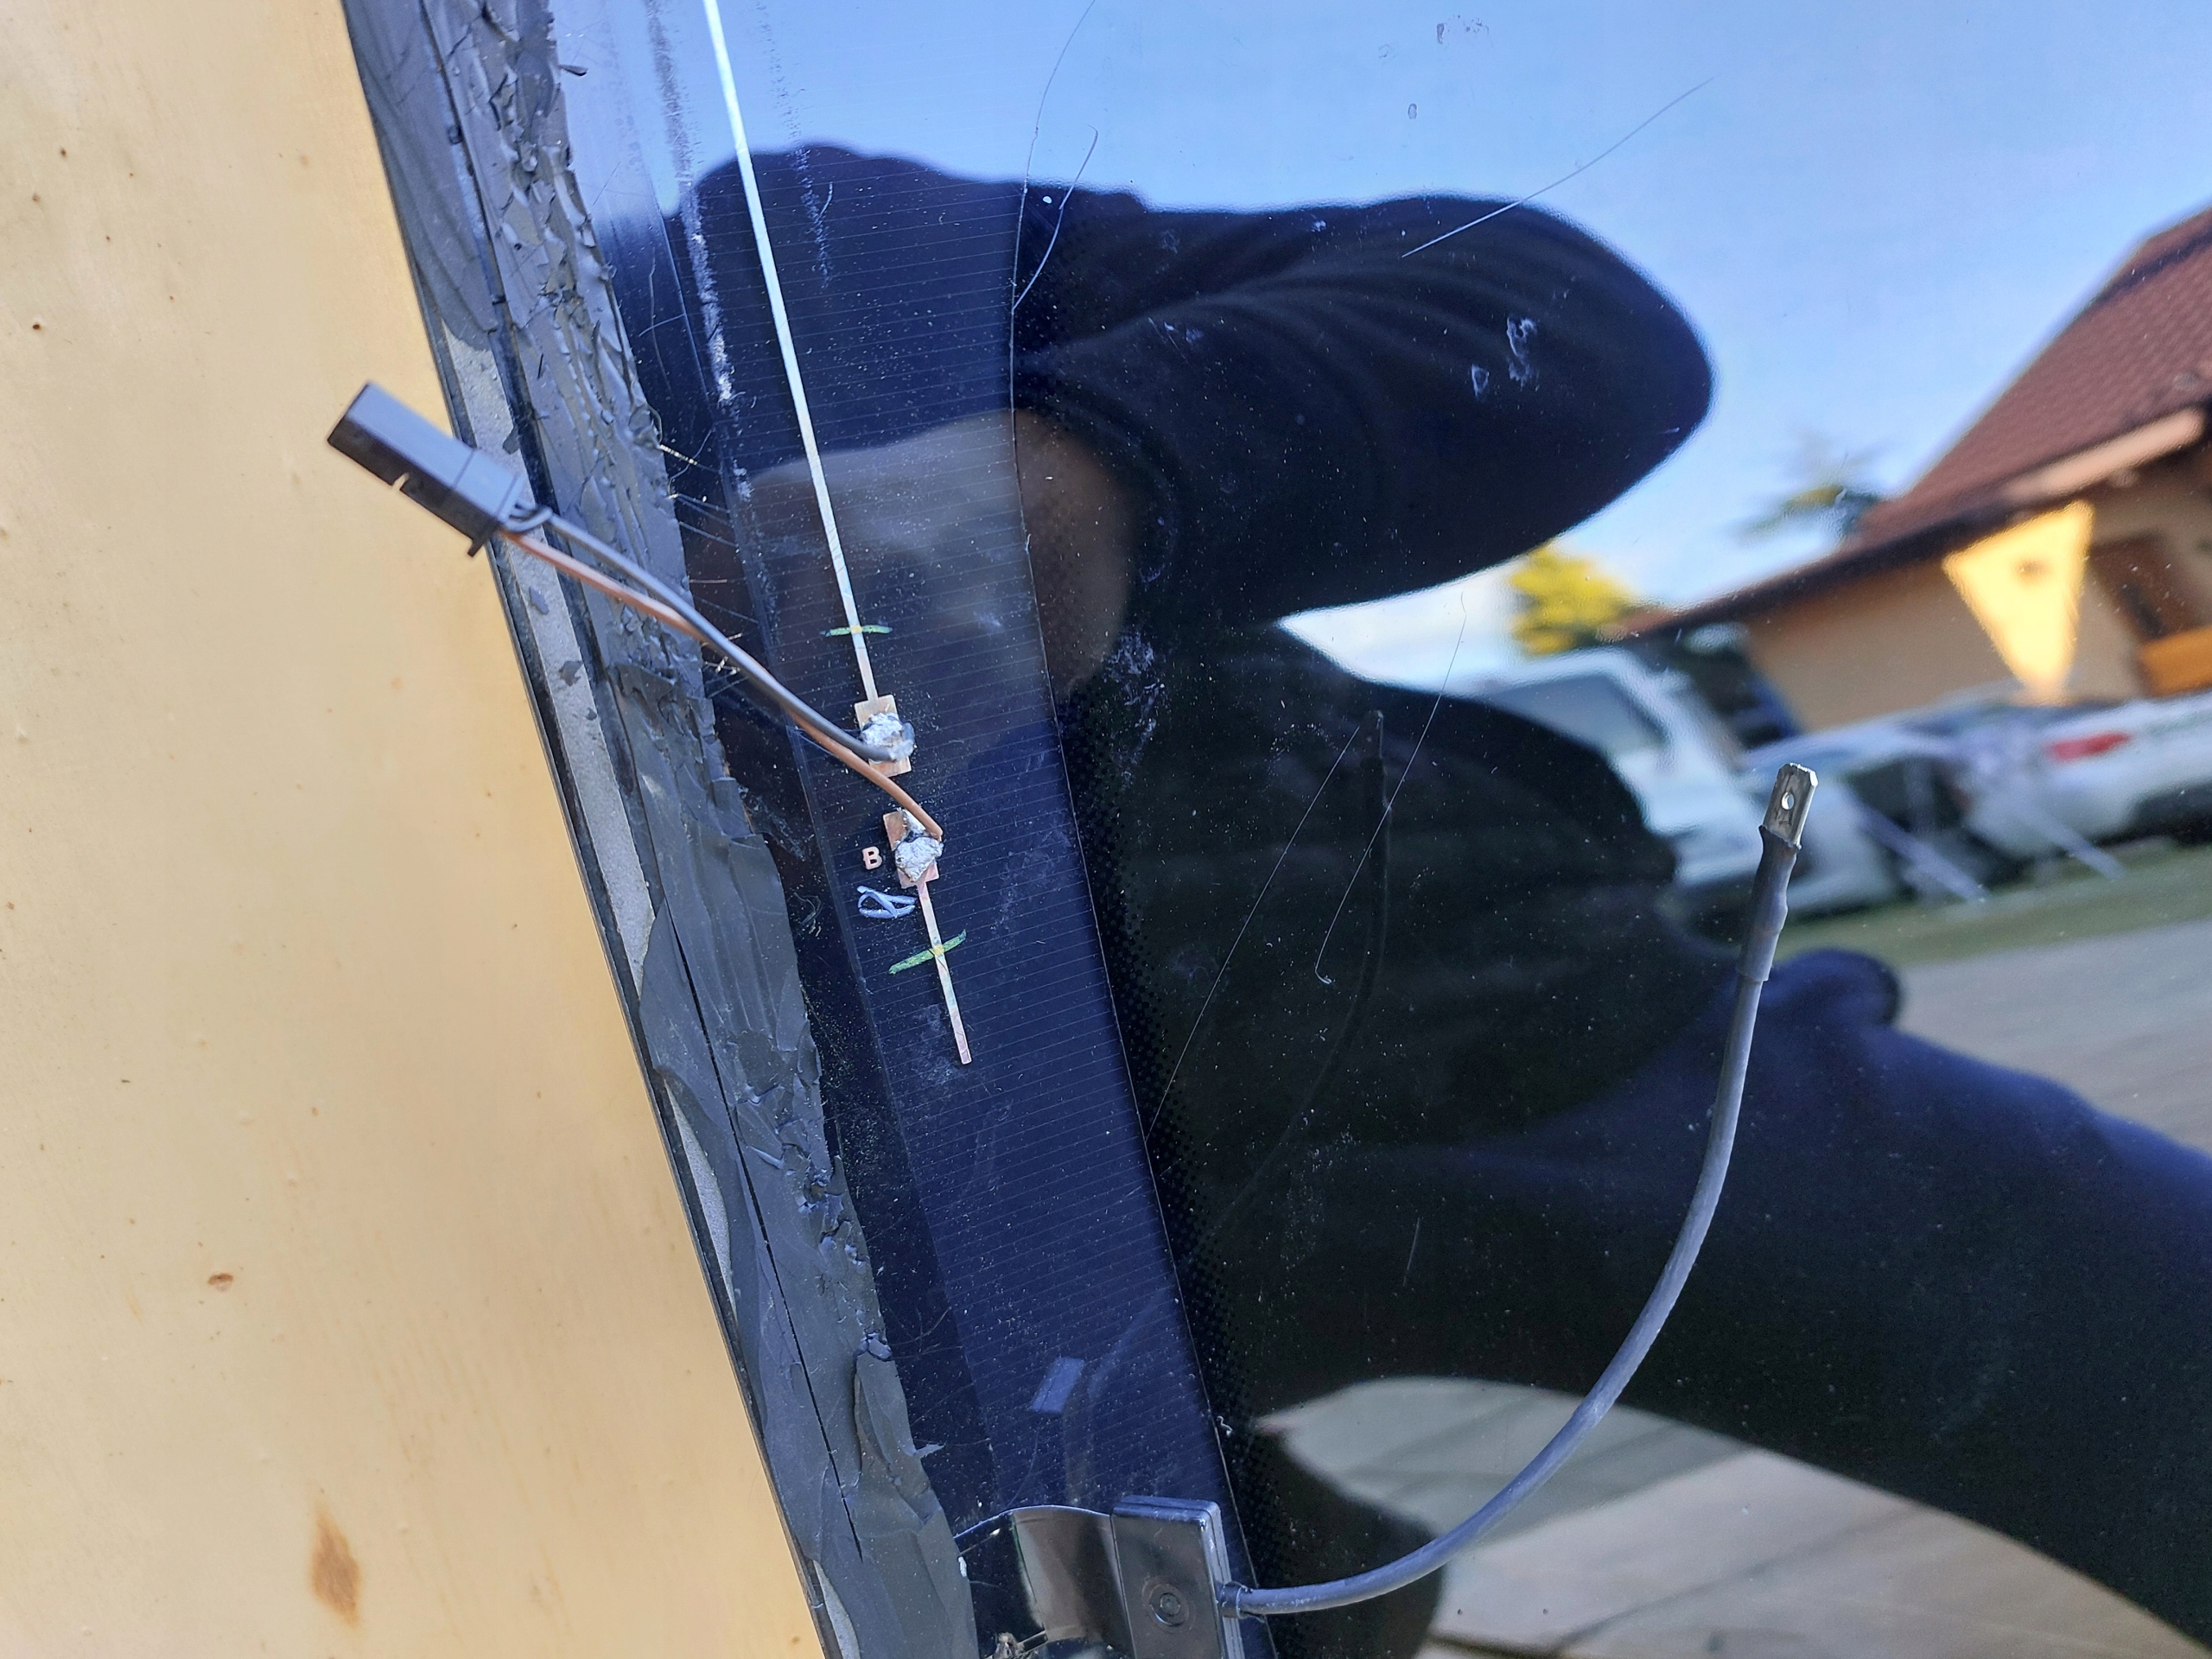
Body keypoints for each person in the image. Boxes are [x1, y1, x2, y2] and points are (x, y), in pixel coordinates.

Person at [681, 149, 2212, 1658]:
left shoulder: (734, 262)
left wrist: (1070, 471)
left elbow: (1572, 321)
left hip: (1485, 1014)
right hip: (882, 1270)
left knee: (2146, 1328)